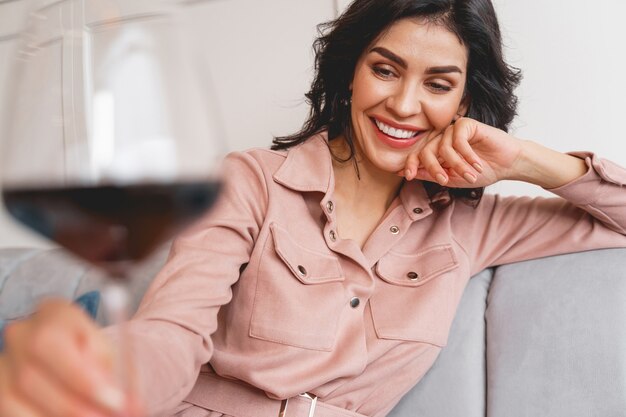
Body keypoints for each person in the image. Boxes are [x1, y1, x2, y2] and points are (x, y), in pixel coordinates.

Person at [1, 0, 626, 416]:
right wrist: (107, 380)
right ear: (351, 72)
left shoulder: (473, 224)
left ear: (465, 99)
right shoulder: (252, 180)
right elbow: (173, 331)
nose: (405, 105)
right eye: (386, 69)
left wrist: (528, 162)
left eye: (438, 84)